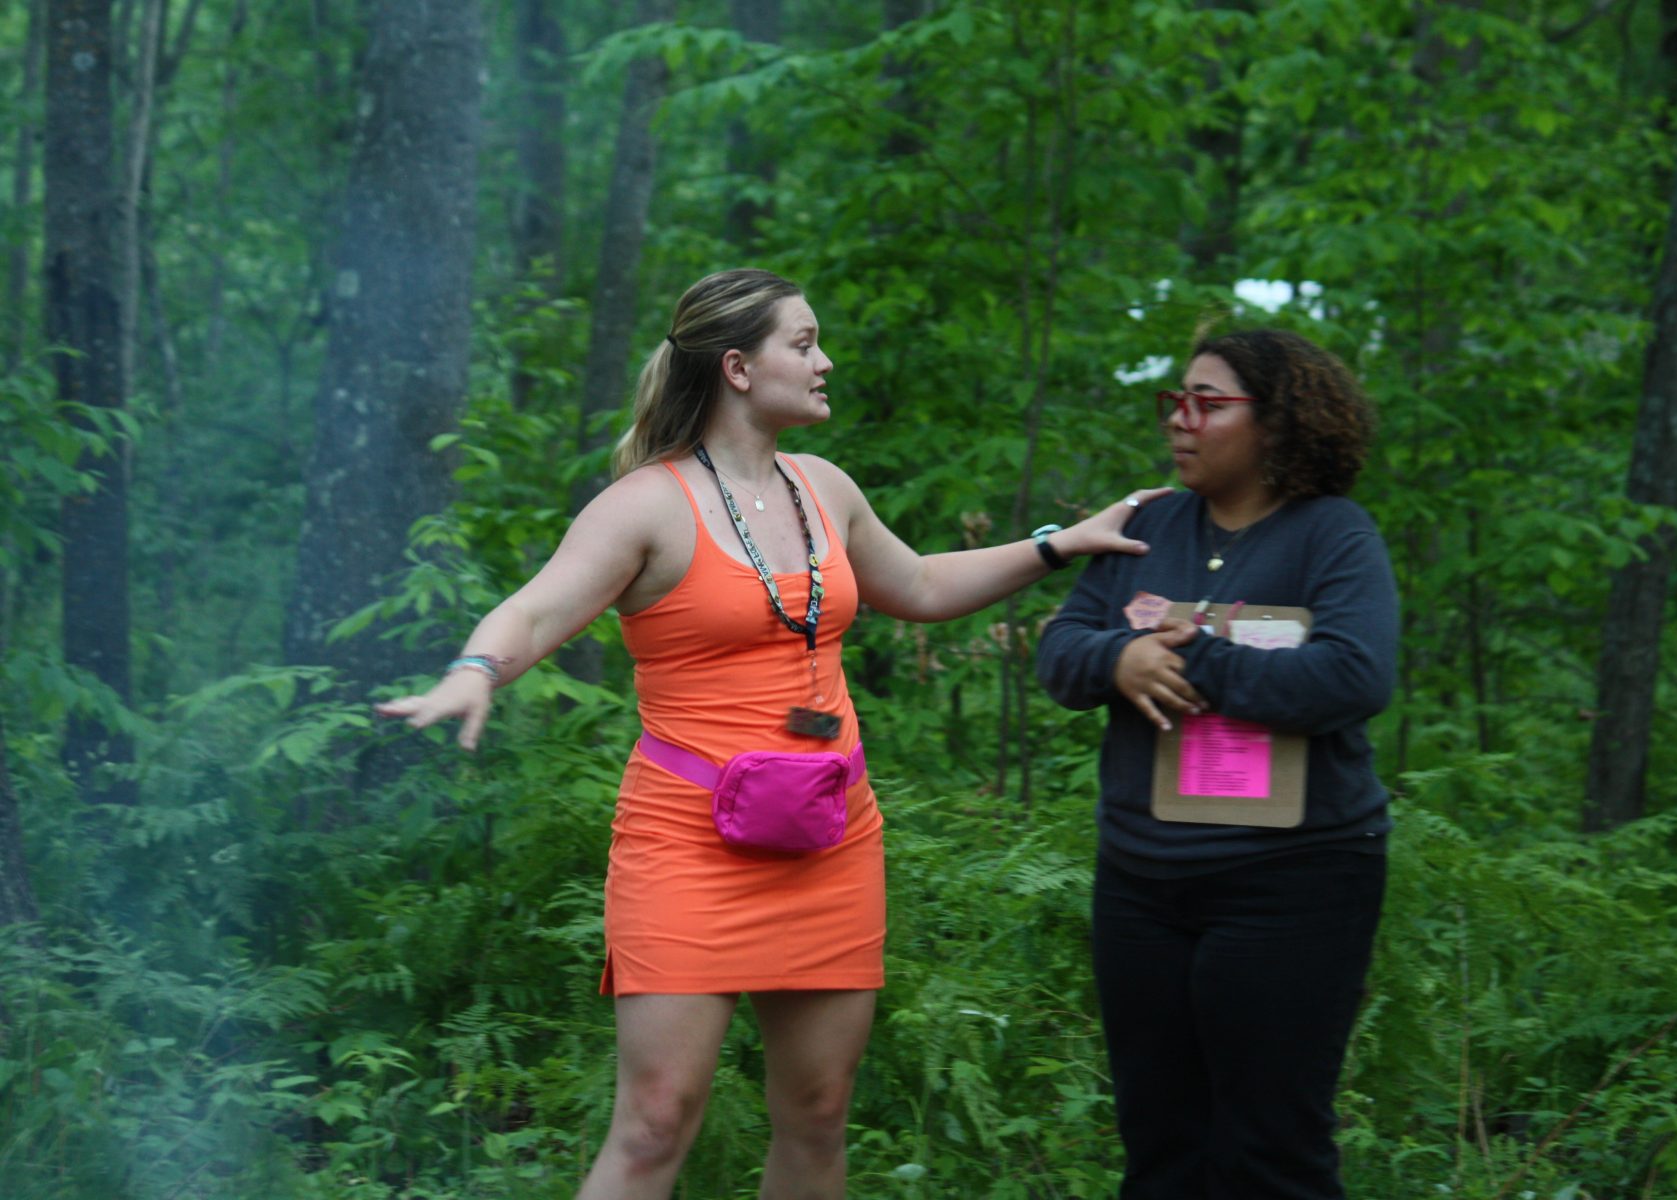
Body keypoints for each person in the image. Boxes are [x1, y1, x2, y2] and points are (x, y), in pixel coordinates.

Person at [374, 268, 1166, 1200]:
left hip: (831, 835)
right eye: (804, 343)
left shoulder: (823, 488)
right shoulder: (646, 506)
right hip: (687, 840)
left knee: (821, 1111)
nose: (825, 362)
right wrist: (474, 673)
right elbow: (537, 612)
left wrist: (1057, 544)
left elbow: (916, 587)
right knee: (656, 1121)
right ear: (739, 367)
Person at [1035, 327, 1398, 1200]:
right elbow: (1060, 650)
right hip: (1140, 883)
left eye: (1208, 403)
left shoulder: (1333, 537)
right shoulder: (1148, 525)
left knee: (1272, 1149)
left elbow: (1356, 674)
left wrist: (1195, 657)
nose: (1180, 421)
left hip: (1293, 884)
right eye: (1175, 401)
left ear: (1276, 421)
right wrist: (1120, 662)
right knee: (1161, 1148)